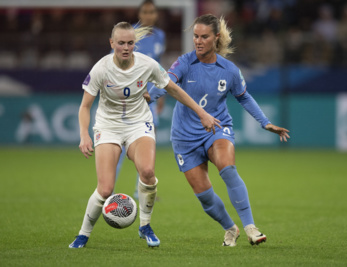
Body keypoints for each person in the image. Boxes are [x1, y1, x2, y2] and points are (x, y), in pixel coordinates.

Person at [69, 21, 220, 249]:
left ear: (135, 44)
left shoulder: (148, 65)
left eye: (130, 43)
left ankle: (145, 226)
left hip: (139, 124)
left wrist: (201, 112)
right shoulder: (101, 68)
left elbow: (174, 89)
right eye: (121, 43)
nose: (126, 47)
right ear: (112, 43)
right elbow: (84, 106)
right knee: (106, 189)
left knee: (148, 172)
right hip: (108, 126)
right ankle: (83, 234)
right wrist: (84, 135)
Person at [149, 14, 290, 247]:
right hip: (184, 136)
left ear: (216, 38)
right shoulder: (184, 62)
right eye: (195, 36)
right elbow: (166, 83)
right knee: (204, 196)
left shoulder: (229, 70)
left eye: (204, 37)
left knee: (228, 168)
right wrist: (147, 97)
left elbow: (244, 97)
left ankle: (250, 228)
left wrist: (265, 122)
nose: (198, 41)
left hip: (216, 127)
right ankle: (230, 228)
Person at [115, 0, 166, 200]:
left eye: (151, 12)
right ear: (139, 14)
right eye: (144, 12)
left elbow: (159, 66)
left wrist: (160, 93)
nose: (148, 15)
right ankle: (107, 189)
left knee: (147, 143)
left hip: (149, 98)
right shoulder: (130, 35)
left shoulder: (160, 36)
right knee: (119, 145)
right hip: (129, 98)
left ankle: (141, 191)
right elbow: (115, 61)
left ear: (156, 14)